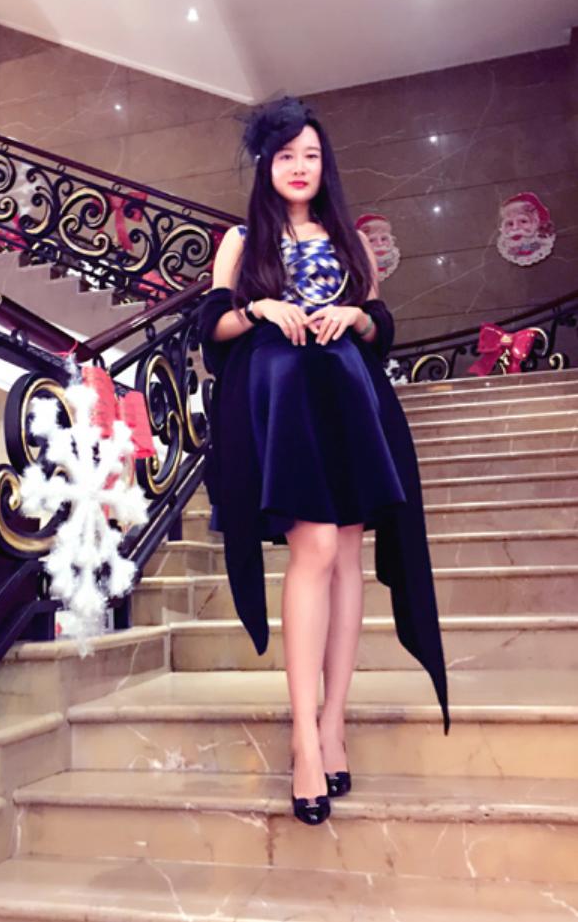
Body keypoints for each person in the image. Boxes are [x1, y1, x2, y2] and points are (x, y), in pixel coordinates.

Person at [196, 98, 448, 827]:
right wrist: (260, 310)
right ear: (266, 165)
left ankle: (334, 721)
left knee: (346, 556)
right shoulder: (241, 240)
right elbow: (212, 326)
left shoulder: (350, 239)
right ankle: (304, 737)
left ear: (324, 163)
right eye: (286, 156)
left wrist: (357, 316)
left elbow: (381, 322)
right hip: (281, 402)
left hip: (348, 397)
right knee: (313, 549)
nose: (300, 167)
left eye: (310, 155)